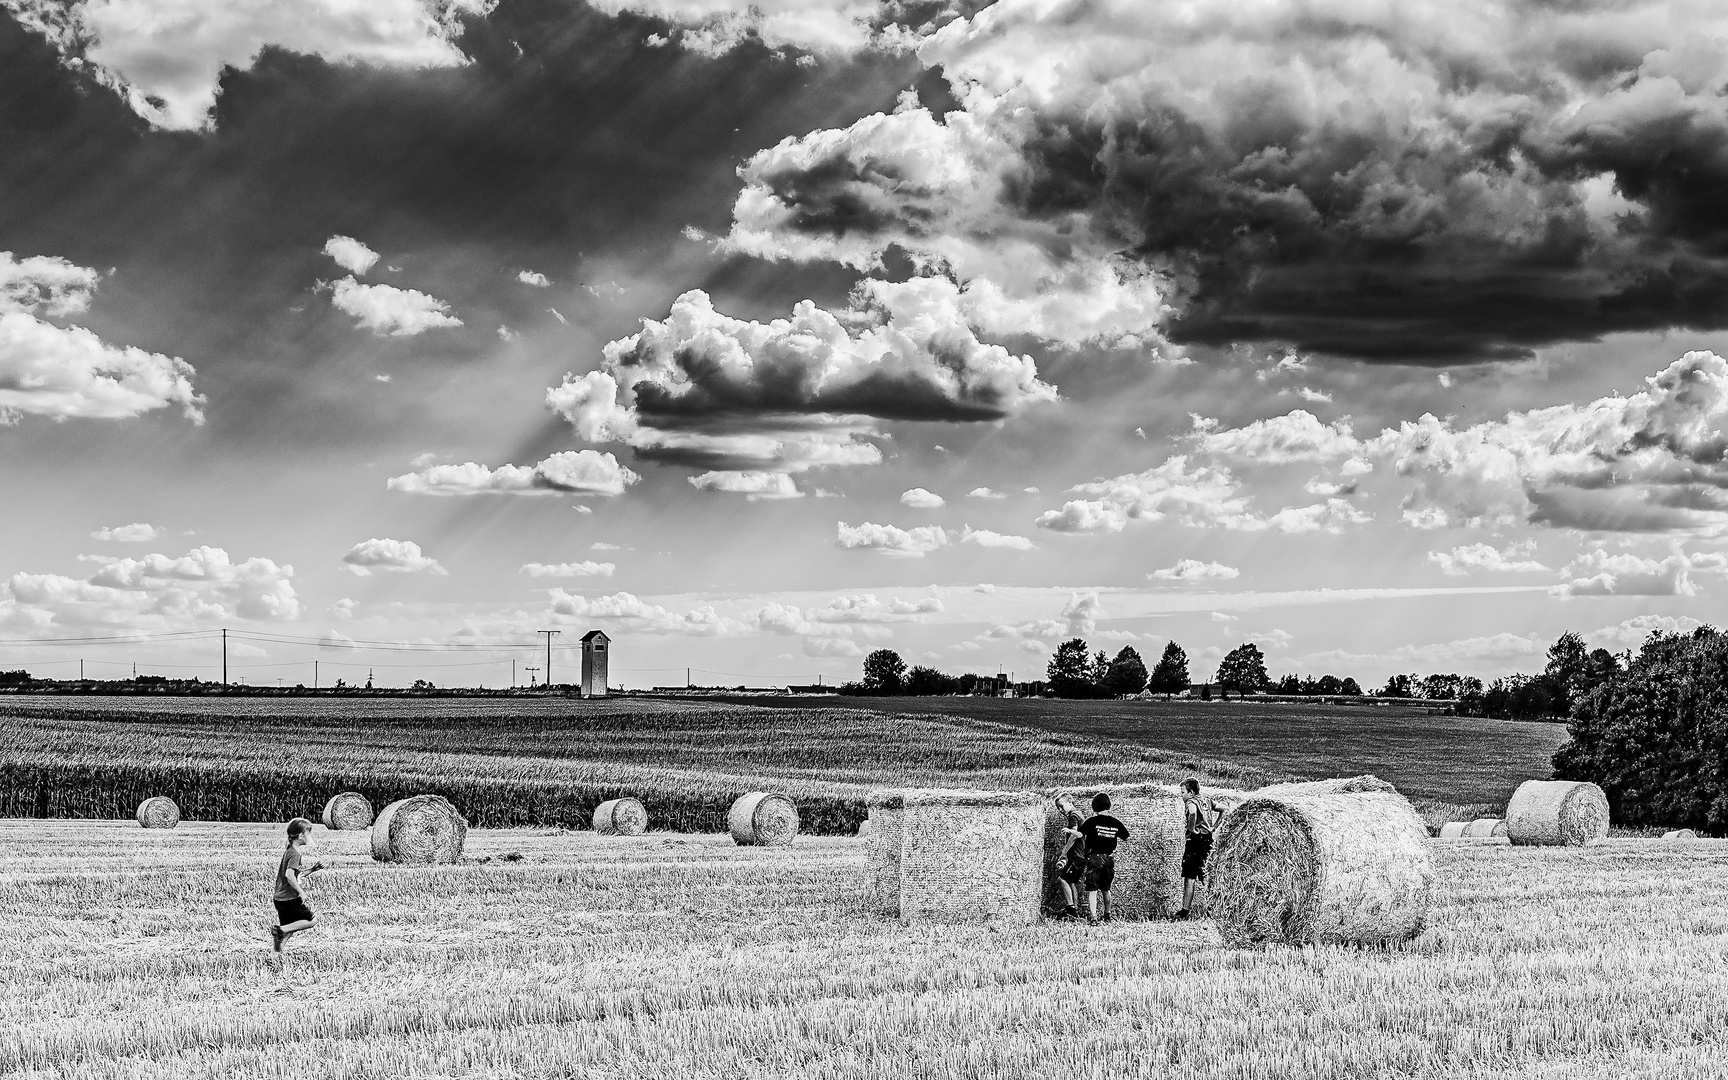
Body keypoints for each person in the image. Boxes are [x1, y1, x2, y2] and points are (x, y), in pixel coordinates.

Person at [270, 817, 326, 955]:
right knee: (311, 921)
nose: (309, 836)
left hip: (280, 898)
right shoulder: (295, 854)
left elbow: (296, 875)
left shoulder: (290, 851)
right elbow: (289, 875)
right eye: (308, 833)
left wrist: (313, 869)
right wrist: (301, 891)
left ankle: (274, 956)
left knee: (289, 930)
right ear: (301, 835)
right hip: (289, 898)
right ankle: (279, 930)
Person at [1075, 792, 1130, 925]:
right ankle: (1107, 914)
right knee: (1106, 889)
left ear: (1094, 807)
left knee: (1093, 890)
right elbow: (1127, 837)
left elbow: (1080, 834)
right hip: (1109, 858)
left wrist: (1071, 831)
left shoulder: (1092, 821)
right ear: (1108, 806)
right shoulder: (1115, 822)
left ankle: (1093, 917)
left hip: (1094, 858)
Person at [1175, 778, 1221, 919]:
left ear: (1191, 792)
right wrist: (1214, 826)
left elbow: (1193, 812)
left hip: (1195, 841)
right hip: (1208, 840)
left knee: (1190, 876)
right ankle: (1212, 908)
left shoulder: (1191, 802)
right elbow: (1224, 809)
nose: (1181, 795)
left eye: (1183, 792)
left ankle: (1184, 911)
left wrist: (1192, 829)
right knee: (1206, 874)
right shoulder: (1207, 800)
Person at [1051, 795, 1088, 920]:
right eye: (1058, 808)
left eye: (1061, 806)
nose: (1060, 810)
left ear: (1070, 802)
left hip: (1077, 856)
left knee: (1062, 879)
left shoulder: (1073, 815)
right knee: (1071, 881)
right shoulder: (1078, 814)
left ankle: (1071, 910)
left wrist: (1064, 852)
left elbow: (1074, 836)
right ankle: (1074, 911)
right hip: (1081, 856)